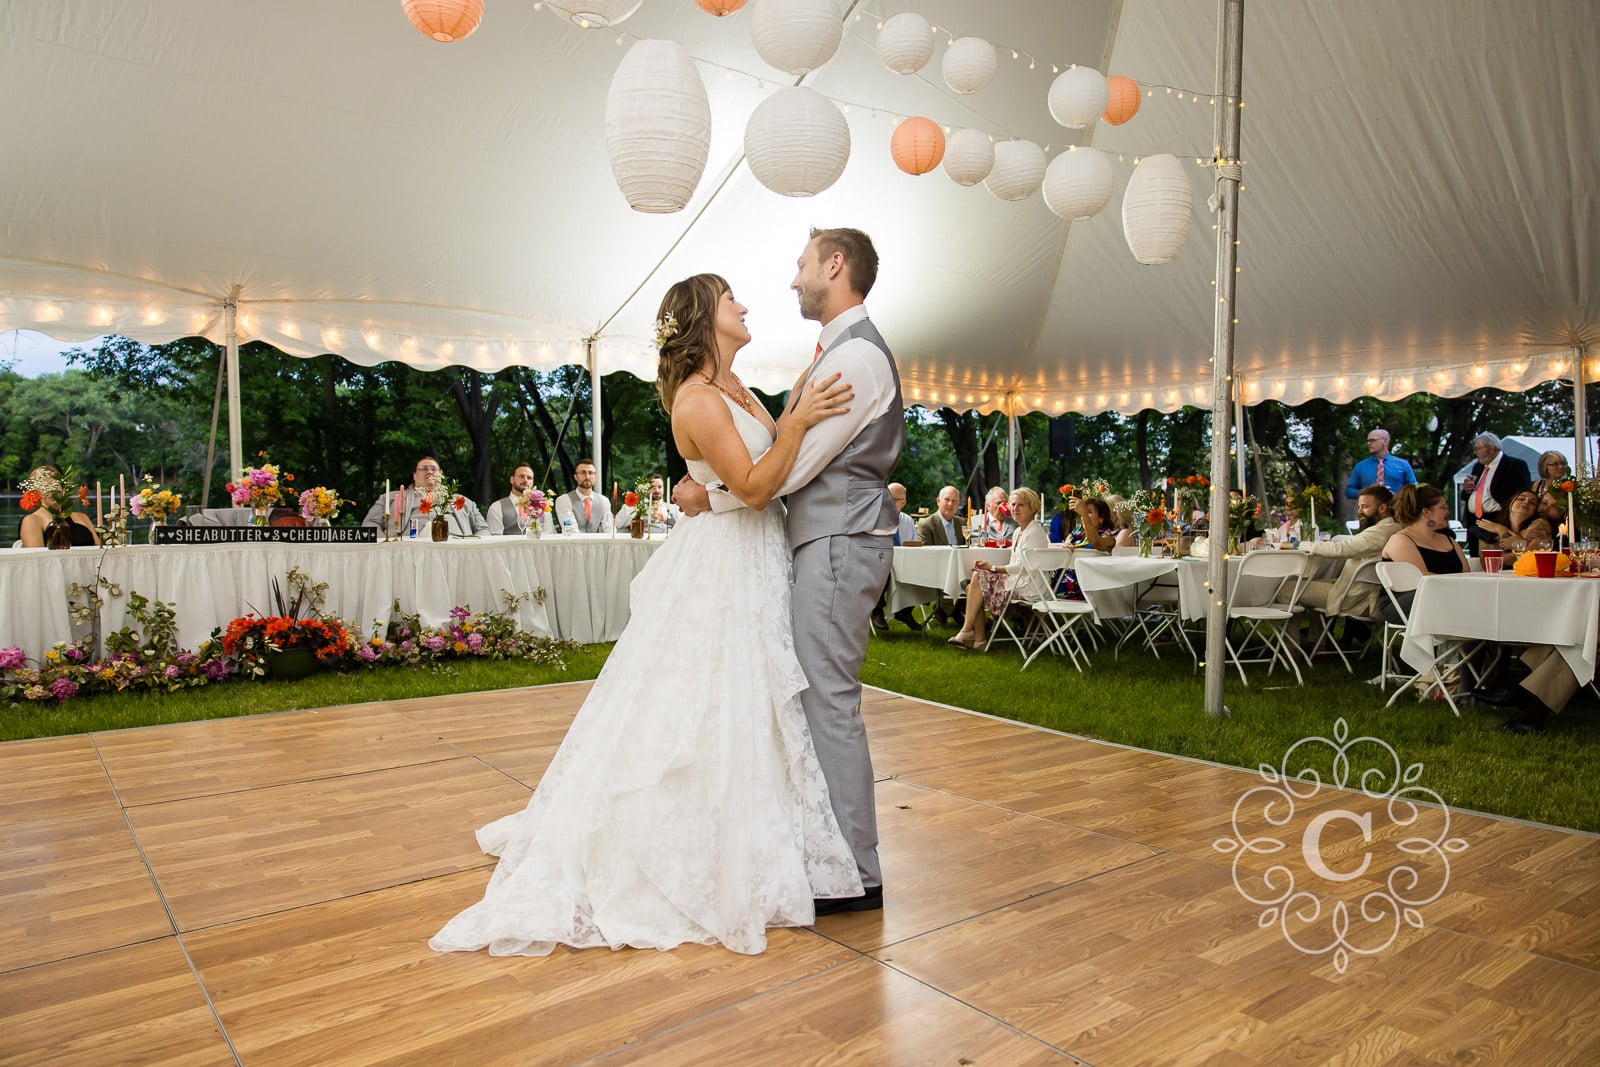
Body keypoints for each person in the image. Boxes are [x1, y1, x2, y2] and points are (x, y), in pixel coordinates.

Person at [430, 272, 860, 958]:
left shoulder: (737, 387)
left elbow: (747, 475)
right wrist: (797, 423)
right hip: (724, 561)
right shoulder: (696, 400)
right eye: (730, 300)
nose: (744, 306)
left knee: (746, 698)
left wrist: (776, 426)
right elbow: (752, 485)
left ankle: (752, 828)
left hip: (751, 553)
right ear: (702, 319)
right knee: (708, 698)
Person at [674, 227, 903, 917]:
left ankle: (855, 871)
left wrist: (704, 495)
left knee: (827, 698)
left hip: (836, 541)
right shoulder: (834, 354)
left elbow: (789, 469)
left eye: (803, 264)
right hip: (822, 540)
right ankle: (826, 854)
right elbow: (785, 453)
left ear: (835, 265)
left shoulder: (855, 360)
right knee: (813, 697)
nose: (791, 279)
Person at [948, 488, 1048, 650]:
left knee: (976, 579)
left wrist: (992, 567)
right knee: (973, 584)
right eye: (1013, 504)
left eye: (1021, 505)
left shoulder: (1035, 532)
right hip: (1017, 581)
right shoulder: (1018, 532)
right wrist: (989, 568)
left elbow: (1022, 568)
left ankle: (970, 633)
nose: (1015, 509)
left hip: (1029, 586)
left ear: (1032, 508)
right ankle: (977, 639)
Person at [1296, 485, 1397, 626]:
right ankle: (1319, 644)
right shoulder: (1394, 529)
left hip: (1353, 599)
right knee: (1314, 581)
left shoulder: (1379, 532)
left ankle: (1290, 646)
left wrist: (1299, 545)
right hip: (1358, 592)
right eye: (1359, 506)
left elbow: (1340, 549)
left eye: (1365, 506)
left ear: (1382, 508)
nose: (1359, 511)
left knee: (1286, 589)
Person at [1378, 484, 1467, 623]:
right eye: (1442, 507)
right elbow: (1423, 578)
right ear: (1426, 512)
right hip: (1404, 602)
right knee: (1437, 595)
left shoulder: (1447, 540)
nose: (1447, 512)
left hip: (1446, 596)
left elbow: (1466, 574)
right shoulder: (1401, 540)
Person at [362, 456, 488, 536]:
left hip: (455, 551)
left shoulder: (463, 501)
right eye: (423, 468)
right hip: (406, 550)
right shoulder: (389, 498)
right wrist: (385, 547)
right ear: (414, 475)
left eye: (434, 469)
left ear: (441, 475)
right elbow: (369, 524)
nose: (429, 472)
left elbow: (483, 529)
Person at [1462, 433, 1531, 555]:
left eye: (1478, 448)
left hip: (1498, 520)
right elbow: (1472, 495)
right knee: (1475, 561)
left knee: (1494, 562)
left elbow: (1522, 494)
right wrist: (1467, 490)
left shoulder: (1514, 465)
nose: (1475, 452)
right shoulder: (1478, 467)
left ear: (1490, 449)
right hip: (1474, 521)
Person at [870, 482, 924, 632]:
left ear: (903, 502)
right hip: (878, 562)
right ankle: (877, 611)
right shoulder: (874, 518)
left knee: (923, 572)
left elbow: (913, 546)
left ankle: (905, 612)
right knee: (882, 567)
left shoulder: (907, 521)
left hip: (903, 564)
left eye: (894, 500)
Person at [17, 466, 99, 547]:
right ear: (36, 492)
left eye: (55, 484)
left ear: (63, 488)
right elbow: (37, 557)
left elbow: (100, 549)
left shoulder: (82, 517)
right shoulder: (32, 521)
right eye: (46, 486)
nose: (52, 490)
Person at [1473, 490, 1556, 554]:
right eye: (1521, 498)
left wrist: (1503, 531)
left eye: (1532, 502)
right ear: (1510, 504)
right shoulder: (1489, 527)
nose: (1526, 502)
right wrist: (1521, 542)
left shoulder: (1540, 525)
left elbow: (1537, 555)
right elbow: (1488, 561)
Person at [1345, 428, 1417, 499]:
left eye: (1372, 440)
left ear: (1385, 441)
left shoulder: (1403, 464)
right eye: (1368, 441)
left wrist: (1397, 496)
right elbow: (1349, 491)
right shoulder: (1360, 466)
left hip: (1396, 508)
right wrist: (1366, 492)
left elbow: (1414, 489)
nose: (1368, 444)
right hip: (1369, 509)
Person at [487, 463, 553, 536]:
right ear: (512, 480)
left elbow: (549, 534)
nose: (525, 480)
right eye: (521, 476)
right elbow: (495, 539)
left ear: (533, 482)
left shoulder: (544, 506)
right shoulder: (496, 507)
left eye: (529, 478)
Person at [552, 458, 614, 534]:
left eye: (590, 473)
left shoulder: (604, 501)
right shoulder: (563, 500)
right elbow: (569, 529)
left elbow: (608, 529)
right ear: (575, 477)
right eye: (583, 473)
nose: (587, 477)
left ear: (595, 477)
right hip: (573, 545)